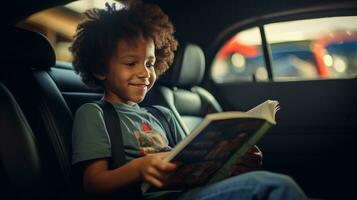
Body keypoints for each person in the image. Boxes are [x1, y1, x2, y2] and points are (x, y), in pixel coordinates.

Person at [70, 1, 308, 200]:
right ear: (100, 68)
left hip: (189, 193)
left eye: (150, 63)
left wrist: (233, 165)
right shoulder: (94, 114)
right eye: (131, 63)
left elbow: (197, 168)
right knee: (273, 187)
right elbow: (93, 184)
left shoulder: (162, 114)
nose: (145, 72)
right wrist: (139, 169)